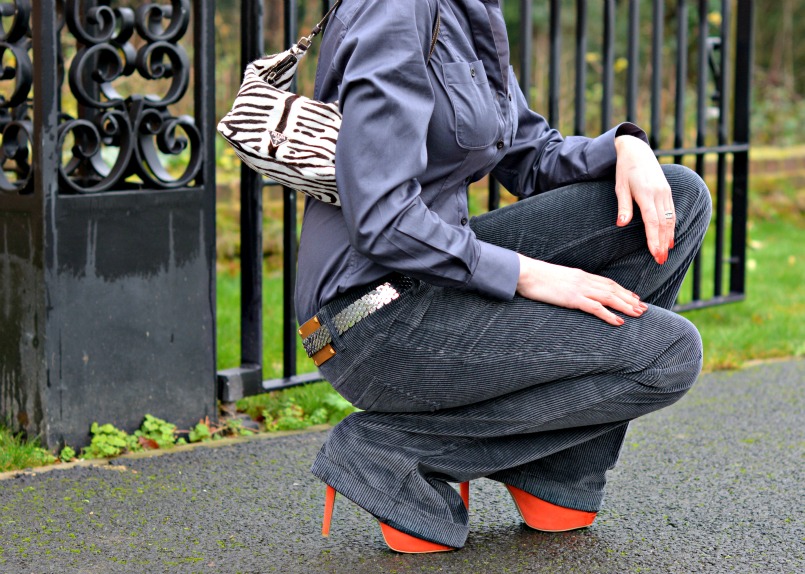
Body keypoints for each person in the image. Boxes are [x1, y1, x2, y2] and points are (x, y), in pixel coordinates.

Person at [295, 0, 711, 553]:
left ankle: (557, 473)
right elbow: (381, 220)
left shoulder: (468, 12)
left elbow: (531, 154)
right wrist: (526, 274)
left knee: (676, 197)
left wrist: (624, 145)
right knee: (668, 354)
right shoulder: (395, 12)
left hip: (432, 276)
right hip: (368, 318)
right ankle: (396, 451)